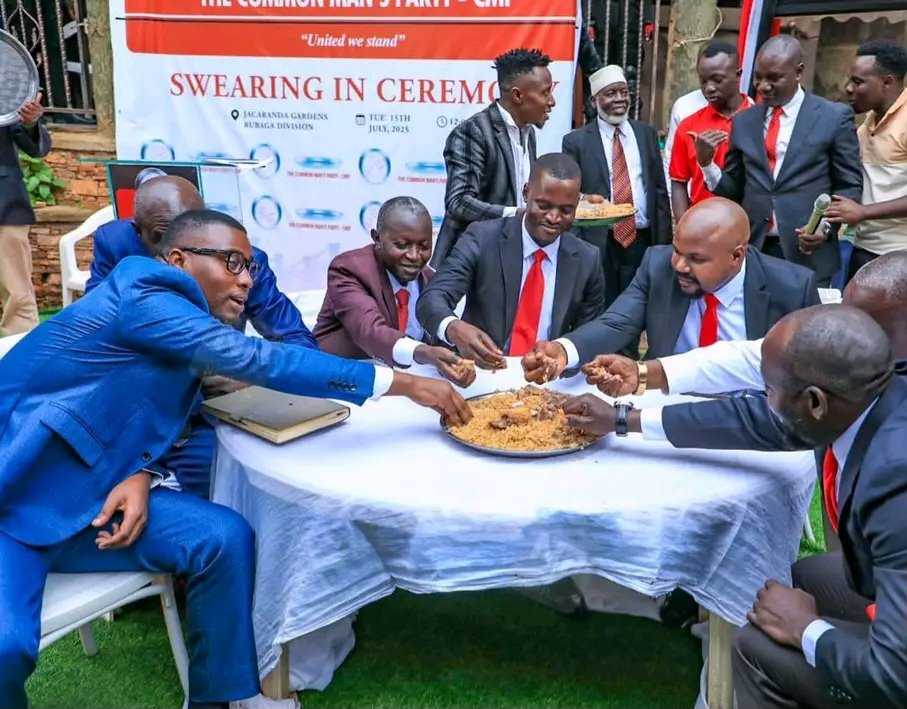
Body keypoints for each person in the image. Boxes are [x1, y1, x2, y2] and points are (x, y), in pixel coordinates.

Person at [0, 208, 470, 709]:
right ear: (178, 260)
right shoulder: (144, 292)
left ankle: (221, 698)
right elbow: (258, 358)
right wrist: (404, 383)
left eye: (249, 267)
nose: (246, 280)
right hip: (16, 500)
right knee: (6, 647)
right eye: (233, 263)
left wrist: (143, 471)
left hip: (94, 502)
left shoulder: (179, 321)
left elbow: (131, 405)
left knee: (223, 538)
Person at [563, 305, 907, 709]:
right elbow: (750, 422)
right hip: (884, 592)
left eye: (768, 390)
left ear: (815, 403)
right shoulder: (865, 401)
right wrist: (623, 419)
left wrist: (806, 630)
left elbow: (894, 673)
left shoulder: (894, 480)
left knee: (757, 645)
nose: (763, 401)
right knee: (798, 580)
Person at [87, 176, 316, 497]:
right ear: (138, 232)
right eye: (162, 236)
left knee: (234, 496)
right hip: (132, 416)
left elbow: (297, 341)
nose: (177, 250)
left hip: (207, 418)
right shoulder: (115, 245)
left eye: (191, 231)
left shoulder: (244, 263)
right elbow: (95, 329)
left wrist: (254, 377)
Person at [522, 197, 819, 382]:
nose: (679, 265)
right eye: (677, 250)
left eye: (696, 259)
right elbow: (616, 323)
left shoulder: (792, 288)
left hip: (746, 416)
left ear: (736, 256)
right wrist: (563, 351)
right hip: (664, 405)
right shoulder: (658, 266)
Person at [694, 35, 863, 286]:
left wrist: (824, 227)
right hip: (754, 251)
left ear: (799, 72)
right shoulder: (744, 121)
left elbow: (848, 186)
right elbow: (734, 190)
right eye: (758, 78)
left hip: (808, 254)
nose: (763, 87)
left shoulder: (833, 117)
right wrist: (707, 164)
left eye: (773, 78)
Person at [417, 153, 605, 368]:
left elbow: (590, 337)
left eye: (565, 210)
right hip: (482, 372)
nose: (553, 218)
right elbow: (431, 299)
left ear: (577, 204)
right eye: (543, 206)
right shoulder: (482, 238)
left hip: (548, 378)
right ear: (526, 192)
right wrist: (453, 328)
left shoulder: (587, 260)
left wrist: (563, 360)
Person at [315, 196, 474, 387]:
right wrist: (424, 352)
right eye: (401, 245)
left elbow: (439, 346)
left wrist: (455, 364)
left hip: (401, 385)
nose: (414, 256)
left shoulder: (430, 280)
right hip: (340, 383)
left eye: (424, 246)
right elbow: (370, 331)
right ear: (377, 238)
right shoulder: (349, 269)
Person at [431, 48, 554, 268]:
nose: (552, 101)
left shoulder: (529, 132)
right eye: (545, 93)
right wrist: (516, 215)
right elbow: (458, 202)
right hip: (472, 260)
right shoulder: (473, 132)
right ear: (517, 95)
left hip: (510, 254)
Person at [562, 65, 671, 306]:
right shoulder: (576, 142)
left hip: (642, 240)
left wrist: (664, 246)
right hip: (601, 242)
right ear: (594, 101)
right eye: (611, 93)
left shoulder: (646, 134)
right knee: (602, 306)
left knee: (639, 305)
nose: (620, 99)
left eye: (624, 92)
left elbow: (659, 191)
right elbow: (571, 195)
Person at [824, 39, 907, 280]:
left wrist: (863, 212)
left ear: (887, 82)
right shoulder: (867, 123)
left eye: (858, 82)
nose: (848, 88)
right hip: (863, 248)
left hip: (899, 255)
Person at [669, 41, 753, 219]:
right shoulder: (688, 127)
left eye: (717, 80)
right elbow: (678, 182)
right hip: (701, 224)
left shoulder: (760, 120)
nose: (709, 88)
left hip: (748, 225)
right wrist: (684, 226)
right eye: (703, 80)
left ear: (738, 75)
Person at [0, 92, 48, 337]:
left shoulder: (7, 81)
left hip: (4, 200)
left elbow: (35, 148)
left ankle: (21, 351)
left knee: (17, 292)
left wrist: (30, 122)